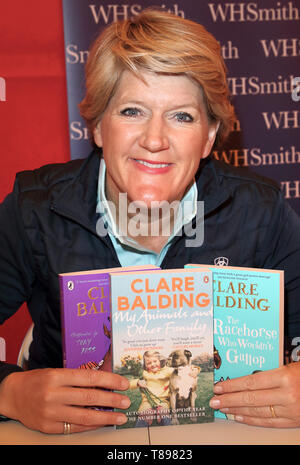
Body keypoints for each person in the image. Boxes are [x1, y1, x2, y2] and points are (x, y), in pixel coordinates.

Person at [0, 8, 300, 434]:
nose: (155, 140)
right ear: (99, 126)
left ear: (209, 137)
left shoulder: (261, 212)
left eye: (182, 116)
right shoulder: (35, 210)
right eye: (132, 111)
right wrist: (10, 392)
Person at [129, 351, 173, 427]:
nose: (152, 364)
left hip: (163, 401)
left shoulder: (166, 371)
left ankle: (169, 431)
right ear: (145, 365)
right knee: (145, 414)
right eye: (149, 363)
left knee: (164, 413)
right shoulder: (144, 373)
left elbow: (179, 371)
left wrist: (195, 369)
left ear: (160, 361)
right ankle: (138, 433)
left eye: (155, 361)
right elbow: (130, 384)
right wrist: (138, 382)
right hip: (147, 402)